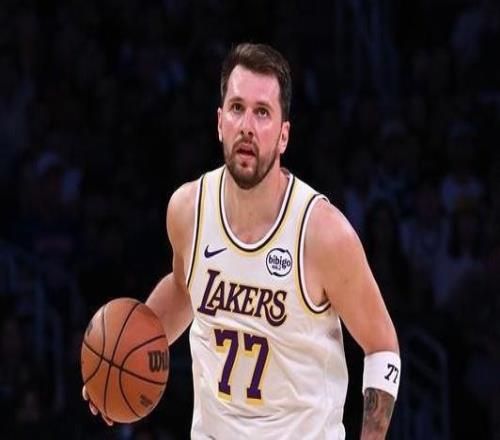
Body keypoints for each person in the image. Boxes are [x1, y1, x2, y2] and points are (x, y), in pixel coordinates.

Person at [83, 43, 400, 439]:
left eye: (262, 112)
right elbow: (184, 288)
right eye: (237, 108)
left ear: (283, 136)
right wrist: (117, 359)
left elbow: (382, 346)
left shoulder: (322, 234)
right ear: (220, 123)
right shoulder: (188, 210)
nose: (247, 125)